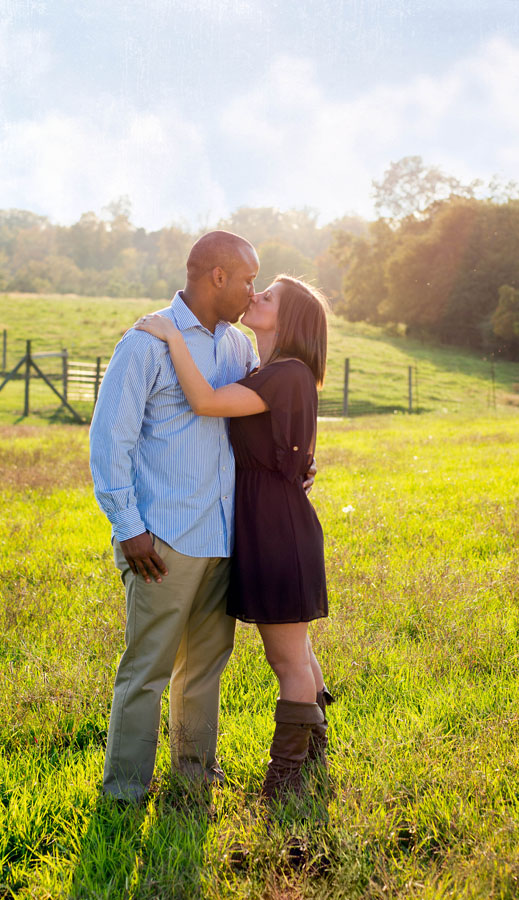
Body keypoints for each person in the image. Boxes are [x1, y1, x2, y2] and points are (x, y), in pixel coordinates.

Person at [89, 230, 315, 804]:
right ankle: (125, 789)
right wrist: (129, 526)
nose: (252, 289)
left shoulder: (239, 348)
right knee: (147, 668)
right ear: (218, 276)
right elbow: (109, 439)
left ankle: (194, 773)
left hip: (225, 534)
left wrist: (298, 463)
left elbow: (259, 416)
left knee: (206, 667)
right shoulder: (145, 342)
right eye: (247, 279)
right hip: (163, 535)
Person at [134, 274, 333, 800]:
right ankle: (314, 756)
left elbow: (203, 401)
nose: (255, 296)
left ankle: (287, 780)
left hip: (275, 530)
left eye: (267, 296)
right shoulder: (272, 371)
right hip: (270, 523)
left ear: (286, 320)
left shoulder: (285, 373)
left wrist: (173, 337)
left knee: (286, 659)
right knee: (297, 651)